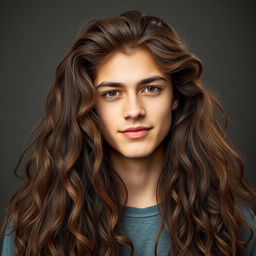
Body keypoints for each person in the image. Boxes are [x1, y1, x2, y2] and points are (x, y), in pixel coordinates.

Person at [0, 9, 256, 256]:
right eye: (111, 93)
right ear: (88, 106)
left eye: (151, 89)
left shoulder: (235, 224)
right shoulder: (34, 226)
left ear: (175, 96)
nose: (134, 111)